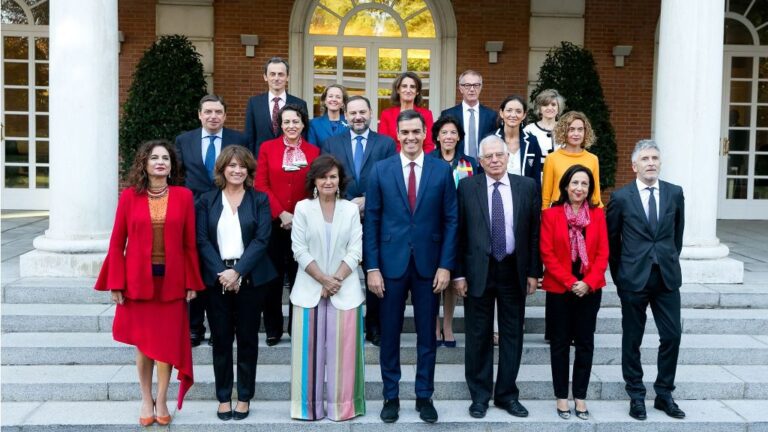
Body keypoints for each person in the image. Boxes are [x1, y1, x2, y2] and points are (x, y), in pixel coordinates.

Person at [95, 140, 204, 426]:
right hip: (137, 283)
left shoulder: (183, 196)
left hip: (171, 282)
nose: (160, 162)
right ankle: (146, 398)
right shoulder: (130, 196)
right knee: (143, 345)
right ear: (144, 163)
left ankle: (163, 398)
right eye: (154, 158)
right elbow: (117, 243)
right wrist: (116, 283)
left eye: (165, 158)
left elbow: (189, 244)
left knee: (167, 346)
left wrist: (192, 281)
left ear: (171, 166)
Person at [364, 109, 457, 424]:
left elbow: (451, 221)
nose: (410, 138)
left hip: (429, 267)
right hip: (389, 266)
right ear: (397, 134)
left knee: (426, 338)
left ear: (425, 132)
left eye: (416, 132)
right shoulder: (380, 170)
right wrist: (372, 267)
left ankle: (423, 395)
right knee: (389, 334)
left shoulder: (441, 170)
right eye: (405, 132)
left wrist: (446, 266)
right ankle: (391, 395)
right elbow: (372, 221)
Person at [454, 135, 541, 420]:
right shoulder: (467, 187)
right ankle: (479, 396)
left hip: (513, 269)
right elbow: (459, 233)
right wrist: (459, 274)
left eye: (499, 155)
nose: (494, 160)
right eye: (488, 156)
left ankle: (506, 395)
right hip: (478, 269)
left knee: (512, 335)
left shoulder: (527, 186)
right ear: (479, 161)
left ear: (507, 157)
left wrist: (533, 272)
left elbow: (534, 232)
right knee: (478, 335)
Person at [196, 145, 276, 421]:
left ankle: (243, 396)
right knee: (220, 340)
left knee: (247, 340)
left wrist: (238, 272)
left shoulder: (260, 200)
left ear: (249, 170)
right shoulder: (206, 200)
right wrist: (223, 272)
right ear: (222, 169)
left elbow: (262, 240)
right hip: (216, 279)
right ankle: (222, 397)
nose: (237, 170)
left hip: (251, 280)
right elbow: (202, 240)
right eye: (231, 165)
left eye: (242, 166)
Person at [607, 139, 686, 421]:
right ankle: (636, 395)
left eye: (654, 158)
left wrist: (667, 259)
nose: (651, 163)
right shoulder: (621, 198)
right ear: (634, 166)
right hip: (633, 279)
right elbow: (612, 243)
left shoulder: (675, 194)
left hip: (666, 277)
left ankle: (664, 393)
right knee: (632, 339)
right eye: (645, 159)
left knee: (673, 335)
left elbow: (677, 236)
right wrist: (620, 277)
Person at [289, 155, 366, 421]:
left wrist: (335, 280)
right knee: (307, 355)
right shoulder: (302, 208)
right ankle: (306, 408)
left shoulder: (350, 210)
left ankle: (342, 407)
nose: (328, 181)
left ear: (340, 180)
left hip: (344, 289)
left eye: (333, 176)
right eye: (323, 177)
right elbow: (298, 248)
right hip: (309, 287)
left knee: (343, 355)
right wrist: (322, 278)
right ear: (314, 180)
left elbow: (356, 249)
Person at [322, 95, 397, 347]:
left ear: (371, 113)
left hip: (376, 218)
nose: (357, 117)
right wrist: (345, 202)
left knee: (375, 273)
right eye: (352, 113)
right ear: (345, 115)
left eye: (362, 112)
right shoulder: (332, 143)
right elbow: (325, 178)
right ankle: (341, 326)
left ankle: (374, 326)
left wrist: (366, 200)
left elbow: (390, 178)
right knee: (339, 271)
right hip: (340, 217)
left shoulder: (386, 144)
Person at [176, 94, 248, 348]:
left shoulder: (238, 139)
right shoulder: (184, 140)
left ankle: (223, 326)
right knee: (197, 266)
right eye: (208, 112)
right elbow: (178, 176)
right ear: (199, 114)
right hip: (194, 210)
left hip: (228, 209)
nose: (213, 116)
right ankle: (195, 327)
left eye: (218, 112)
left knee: (221, 259)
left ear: (225, 115)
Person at [540, 164, 608, 421]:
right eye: (575, 183)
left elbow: (603, 253)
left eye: (584, 184)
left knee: (585, 343)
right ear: (566, 186)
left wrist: (588, 282)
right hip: (560, 288)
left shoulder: (599, 216)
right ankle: (561, 396)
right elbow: (547, 253)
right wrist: (571, 282)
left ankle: (580, 396)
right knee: (559, 345)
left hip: (589, 290)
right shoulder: (551, 215)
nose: (579, 188)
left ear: (590, 189)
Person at [255, 104, 320, 346]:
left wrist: (298, 215)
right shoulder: (267, 149)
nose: (291, 126)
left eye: (296, 121)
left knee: (299, 276)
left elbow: (316, 185)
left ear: (303, 124)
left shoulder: (314, 151)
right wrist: (281, 213)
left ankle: (297, 327)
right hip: (273, 223)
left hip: (303, 225)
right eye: (286, 122)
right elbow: (260, 184)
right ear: (280, 125)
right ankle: (273, 328)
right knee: (272, 278)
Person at [429, 115, 479, 347]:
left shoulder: (470, 163)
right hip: (432, 227)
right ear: (437, 136)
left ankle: (447, 325)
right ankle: (434, 326)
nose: (449, 137)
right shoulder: (428, 160)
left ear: (459, 137)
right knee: (432, 277)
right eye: (444, 133)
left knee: (451, 277)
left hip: (461, 227)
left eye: (453, 133)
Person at [244, 57, 309, 154]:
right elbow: (249, 137)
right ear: (265, 77)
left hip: (290, 162)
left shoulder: (300, 104)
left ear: (287, 77)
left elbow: (304, 136)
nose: (276, 78)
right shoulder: (254, 103)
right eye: (272, 74)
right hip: (261, 161)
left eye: (281, 74)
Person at [541, 111, 602, 209]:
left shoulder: (593, 159)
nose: (576, 134)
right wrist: (545, 214)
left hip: (585, 215)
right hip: (558, 213)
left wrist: (599, 216)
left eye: (580, 129)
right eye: (571, 129)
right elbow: (546, 195)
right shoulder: (552, 158)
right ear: (563, 132)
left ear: (585, 132)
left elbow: (596, 194)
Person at [439, 70, 497, 159]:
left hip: (484, 166)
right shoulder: (448, 114)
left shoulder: (491, 115)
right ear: (460, 88)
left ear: (481, 87)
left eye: (476, 85)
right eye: (467, 85)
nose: (472, 89)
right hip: (457, 165)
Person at [377, 72, 435, 153]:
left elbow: (429, 145)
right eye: (404, 86)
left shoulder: (426, 114)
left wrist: (418, 162)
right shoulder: (386, 114)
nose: (408, 90)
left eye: (412, 87)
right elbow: (383, 144)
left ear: (417, 91)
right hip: (393, 161)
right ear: (398, 89)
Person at [493, 95, 542, 188]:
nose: (513, 115)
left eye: (518, 111)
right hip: (496, 195)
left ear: (524, 115)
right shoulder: (491, 139)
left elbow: (536, 178)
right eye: (509, 110)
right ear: (501, 113)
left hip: (524, 197)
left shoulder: (532, 141)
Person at [523, 89, 565, 163]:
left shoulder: (566, 129)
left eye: (553, 104)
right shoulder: (529, 130)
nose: (549, 108)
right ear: (539, 109)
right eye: (545, 105)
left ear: (558, 108)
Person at [308, 84, 349, 151]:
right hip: (322, 161)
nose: (334, 99)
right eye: (330, 96)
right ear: (325, 101)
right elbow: (312, 150)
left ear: (343, 103)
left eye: (338, 97)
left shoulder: (350, 123)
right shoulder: (314, 124)